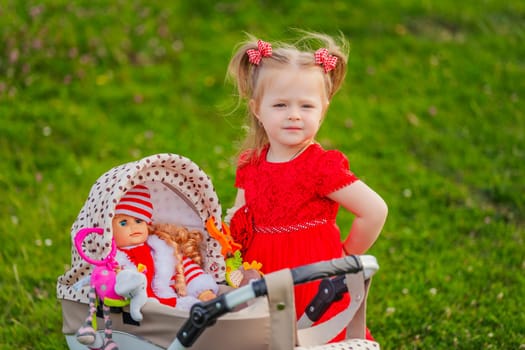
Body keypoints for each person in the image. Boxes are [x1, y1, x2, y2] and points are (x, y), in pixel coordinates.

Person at [225, 32, 388, 341]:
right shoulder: (251, 164)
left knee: (315, 337)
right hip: (262, 273)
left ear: (323, 109)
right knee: (266, 338)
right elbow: (239, 214)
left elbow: (374, 210)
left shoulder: (319, 166)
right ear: (257, 109)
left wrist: (346, 256)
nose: (294, 115)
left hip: (313, 276)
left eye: (307, 106)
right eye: (281, 105)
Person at [113, 184, 218, 310]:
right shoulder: (114, 259)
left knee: (194, 308)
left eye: (139, 221)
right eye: (123, 223)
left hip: (170, 303)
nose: (134, 227)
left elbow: (186, 267)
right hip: (137, 307)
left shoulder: (161, 250)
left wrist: (203, 290)